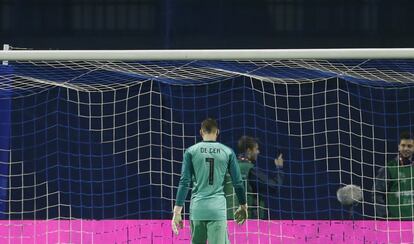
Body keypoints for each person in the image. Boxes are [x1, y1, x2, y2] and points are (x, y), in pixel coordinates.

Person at [172, 118, 248, 244]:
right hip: (217, 210)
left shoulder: (191, 151)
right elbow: (238, 182)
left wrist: (177, 211)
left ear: (201, 132)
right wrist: (243, 206)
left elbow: (184, 182)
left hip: (197, 209)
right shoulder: (228, 152)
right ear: (217, 132)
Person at [224, 136, 284, 220]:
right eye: (256, 149)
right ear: (249, 151)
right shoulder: (250, 170)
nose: (258, 152)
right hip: (247, 223)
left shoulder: (228, 169)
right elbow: (274, 186)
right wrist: (279, 168)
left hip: (227, 221)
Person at [372, 131, 414, 220]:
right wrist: (385, 216)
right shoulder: (389, 168)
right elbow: (377, 193)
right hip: (394, 224)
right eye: (403, 145)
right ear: (399, 147)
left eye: (409, 146)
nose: (406, 148)